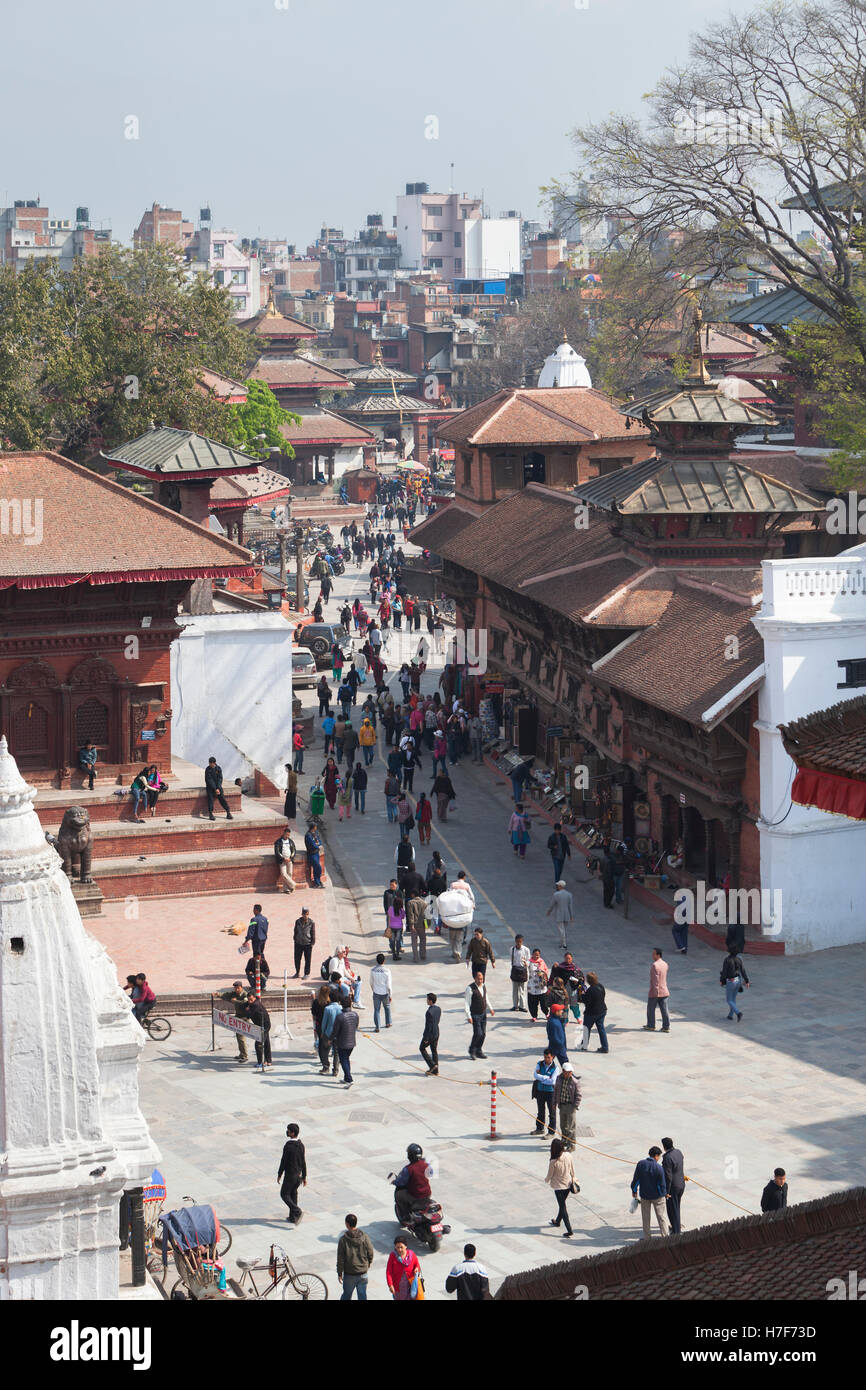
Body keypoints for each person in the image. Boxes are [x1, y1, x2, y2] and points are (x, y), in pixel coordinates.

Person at [631, 1146, 670, 1237]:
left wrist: (634, 1190)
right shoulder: (659, 1168)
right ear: (656, 1156)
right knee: (661, 1217)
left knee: (645, 1218)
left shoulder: (641, 1164)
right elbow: (662, 1184)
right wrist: (664, 1194)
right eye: (659, 1156)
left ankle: (647, 1238)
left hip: (644, 1195)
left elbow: (636, 1179)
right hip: (657, 1197)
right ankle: (665, 1237)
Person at [337, 1214, 375, 1301]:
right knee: (362, 1296)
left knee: (346, 1295)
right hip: (363, 1273)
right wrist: (368, 1263)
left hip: (349, 1274)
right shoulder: (364, 1237)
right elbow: (370, 1252)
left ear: (347, 1224)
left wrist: (339, 1273)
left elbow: (340, 1258)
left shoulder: (343, 1240)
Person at [393, 1142, 433, 1226]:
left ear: (410, 1156)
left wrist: (394, 1181)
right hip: (427, 1194)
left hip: (416, 1197)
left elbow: (401, 1182)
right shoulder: (426, 1165)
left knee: (399, 1195)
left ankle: (406, 1217)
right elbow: (431, 1173)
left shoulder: (408, 1169)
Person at [546, 1138, 576, 1237]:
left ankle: (569, 1230)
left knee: (563, 1207)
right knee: (562, 1204)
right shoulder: (568, 1155)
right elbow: (572, 1170)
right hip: (568, 1184)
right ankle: (557, 1221)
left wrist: (546, 1180)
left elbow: (550, 1175)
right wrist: (574, 1179)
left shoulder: (553, 1162)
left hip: (558, 1187)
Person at [213, 979, 250, 1063]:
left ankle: (245, 1055)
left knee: (241, 1037)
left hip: (244, 1018)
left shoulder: (245, 994)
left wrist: (235, 1001)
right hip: (238, 1016)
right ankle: (241, 1053)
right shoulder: (234, 994)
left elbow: (244, 1003)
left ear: (241, 987)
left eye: (238, 988)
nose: (236, 990)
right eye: (235, 988)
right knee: (238, 1036)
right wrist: (218, 994)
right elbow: (226, 995)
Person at [277, 1123, 307, 1224]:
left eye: (288, 1131)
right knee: (293, 1194)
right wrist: (304, 1176)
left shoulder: (288, 1146)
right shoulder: (301, 1145)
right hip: (298, 1176)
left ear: (293, 1133)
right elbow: (303, 1161)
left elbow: (283, 1161)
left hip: (290, 1176)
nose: (287, 1132)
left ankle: (297, 1211)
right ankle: (293, 1217)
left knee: (284, 1194)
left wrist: (279, 1173)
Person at [465, 969, 494, 1060]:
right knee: (478, 1033)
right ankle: (472, 1050)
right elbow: (467, 1003)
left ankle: (479, 1050)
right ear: (475, 979)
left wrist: (490, 1008)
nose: (480, 980)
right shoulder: (470, 988)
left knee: (483, 1034)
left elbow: (486, 998)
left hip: (483, 1013)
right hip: (475, 1014)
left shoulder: (483, 986)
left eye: (481, 979)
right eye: (478, 979)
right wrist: (468, 1016)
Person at [553, 1062, 582, 1153]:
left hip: (570, 1106)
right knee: (563, 1125)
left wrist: (575, 1106)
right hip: (562, 1105)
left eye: (570, 1072)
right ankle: (564, 1140)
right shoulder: (559, 1079)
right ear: (563, 1071)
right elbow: (556, 1091)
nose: (570, 1073)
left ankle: (571, 1144)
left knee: (571, 1127)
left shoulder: (574, 1082)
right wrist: (554, 1103)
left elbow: (579, 1095)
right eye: (568, 1072)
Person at [578, 971, 609, 1052]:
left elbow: (586, 1001)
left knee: (586, 1029)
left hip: (591, 1013)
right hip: (602, 1010)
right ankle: (605, 1047)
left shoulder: (590, 990)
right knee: (601, 1029)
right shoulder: (600, 986)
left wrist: (582, 994)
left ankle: (584, 1045)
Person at [532, 1048, 560, 1136]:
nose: (546, 1059)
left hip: (551, 1092)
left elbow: (553, 1081)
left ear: (552, 1057)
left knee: (552, 1112)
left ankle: (551, 1132)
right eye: (545, 1057)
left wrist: (541, 1078)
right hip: (540, 1091)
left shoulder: (555, 1068)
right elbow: (535, 1075)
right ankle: (540, 1128)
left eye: (548, 1057)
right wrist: (546, 1078)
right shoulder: (539, 1064)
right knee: (540, 1111)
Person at [661, 1136, 685, 1234]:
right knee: (677, 1206)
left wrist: (666, 1191)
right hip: (681, 1184)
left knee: (672, 1209)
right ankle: (677, 1225)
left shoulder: (667, 1158)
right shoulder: (678, 1152)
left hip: (673, 1188)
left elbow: (668, 1177)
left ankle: (676, 1231)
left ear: (664, 1146)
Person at [386, 1237, 422, 1301]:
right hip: (398, 1288)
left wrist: (416, 1268)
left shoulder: (411, 1254)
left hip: (410, 1286)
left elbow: (417, 1264)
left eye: (401, 1247)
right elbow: (389, 1271)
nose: (399, 1250)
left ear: (406, 1246)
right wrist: (390, 1284)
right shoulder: (392, 1256)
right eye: (397, 1247)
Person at [720, 945, 750, 1021]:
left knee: (729, 1000)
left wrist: (722, 981)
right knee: (733, 999)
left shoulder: (727, 960)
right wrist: (746, 981)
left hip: (731, 981)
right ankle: (730, 1015)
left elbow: (724, 972)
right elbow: (743, 971)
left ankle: (738, 1013)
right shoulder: (739, 959)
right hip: (738, 980)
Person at [333, 998, 359, 1085]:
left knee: (343, 1060)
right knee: (346, 1059)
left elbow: (335, 1031)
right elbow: (355, 1026)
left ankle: (349, 1078)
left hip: (342, 1042)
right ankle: (346, 1078)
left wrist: (330, 1038)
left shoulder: (340, 1017)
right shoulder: (355, 1015)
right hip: (352, 1042)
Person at [644, 948, 671, 1032]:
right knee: (664, 1010)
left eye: (654, 954)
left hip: (656, 992)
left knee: (651, 1009)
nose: (652, 955)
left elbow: (655, 981)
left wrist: (655, 993)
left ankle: (651, 1025)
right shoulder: (665, 964)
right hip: (664, 991)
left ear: (658, 955)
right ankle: (666, 1027)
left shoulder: (655, 965)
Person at [247, 991, 272, 1069]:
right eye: (248, 1000)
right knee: (267, 1043)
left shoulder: (255, 1005)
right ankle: (268, 1060)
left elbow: (249, 1015)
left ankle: (260, 1062)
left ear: (254, 998)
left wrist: (247, 1010)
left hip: (263, 1026)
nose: (249, 1001)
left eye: (251, 999)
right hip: (264, 1025)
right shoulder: (255, 1002)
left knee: (258, 1044)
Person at [319, 991, 342, 1076]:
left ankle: (326, 1067)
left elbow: (324, 1023)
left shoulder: (327, 1009)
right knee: (336, 1052)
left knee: (325, 1050)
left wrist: (322, 1032)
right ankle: (335, 1070)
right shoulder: (341, 1008)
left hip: (328, 1033)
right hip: (338, 1034)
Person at [204, 756, 233, 822]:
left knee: (222, 799)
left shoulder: (218, 768)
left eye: (211, 763)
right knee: (210, 800)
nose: (210, 764)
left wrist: (218, 787)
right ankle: (211, 814)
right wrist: (215, 789)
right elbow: (209, 780)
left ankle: (228, 812)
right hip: (210, 788)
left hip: (218, 787)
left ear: (214, 763)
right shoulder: (208, 769)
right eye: (209, 763)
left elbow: (220, 778)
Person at [420, 992, 441, 1075]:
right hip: (436, 1033)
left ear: (431, 1001)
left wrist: (426, 1038)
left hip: (430, 1034)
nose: (426, 1001)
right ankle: (436, 1071)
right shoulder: (438, 1009)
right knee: (434, 1050)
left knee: (422, 1048)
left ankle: (432, 1065)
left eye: (427, 999)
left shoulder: (429, 1012)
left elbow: (428, 1026)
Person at [406, 884, 428, 962]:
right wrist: (426, 925)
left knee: (414, 942)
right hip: (422, 925)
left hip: (414, 925)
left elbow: (410, 915)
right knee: (423, 940)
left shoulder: (410, 903)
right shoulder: (424, 903)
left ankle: (416, 957)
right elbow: (427, 916)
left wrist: (411, 925)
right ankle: (423, 955)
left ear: (413, 894)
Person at [371, 953, 393, 1032]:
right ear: (384, 961)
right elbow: (389, 985)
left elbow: (371, 982)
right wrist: (390, 995)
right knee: (387, 1007)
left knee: (376, 1010)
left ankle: (377, 1027)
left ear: (376, 961)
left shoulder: (373, 970)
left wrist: (373, 989)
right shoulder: (387, 971)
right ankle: (388, 1023)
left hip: (376, 992)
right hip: (385, 993)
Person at [510, 934, 531, 1011]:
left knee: (522, 989)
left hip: (523, 971)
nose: (518, 943)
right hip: (515, 970)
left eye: (520, 942)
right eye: (517, 941)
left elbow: (529, 960)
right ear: (515, 941)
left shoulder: (526, 950)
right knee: (515, 989)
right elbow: (511, 959)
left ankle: (522, 1006)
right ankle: (515, 1005)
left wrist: (526, 964)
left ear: (522, 941)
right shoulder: (512, 949)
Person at [292, 908, 316, 978]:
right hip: (298, 943)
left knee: (307, 960)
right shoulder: (297, 921)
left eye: (307, 914)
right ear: (302, 914)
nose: (305, 916)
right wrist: (295, 939)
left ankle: (306, 973)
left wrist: (312, 943)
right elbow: (295, 930)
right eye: (304, 914)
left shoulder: (311, 922)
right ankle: (297, 972)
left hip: (307, 944)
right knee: (297, 959)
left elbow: (313, 932)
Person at [527, 949, 550, 1021]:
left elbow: (546, 970)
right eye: (535, 954)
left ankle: (547, 1013)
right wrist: (524, 963)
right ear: (532, 954)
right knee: (532, 1003)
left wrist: (542, 973)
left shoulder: (541, 961)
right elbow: (525, 965)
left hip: (541, 987)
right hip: (532, 986)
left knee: (544, 1003)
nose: (536, 956)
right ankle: (534, 1016)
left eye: (538, 954)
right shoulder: (529, 962)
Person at [274, 826, 296, 894]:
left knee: (289, 873)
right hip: (282, 860)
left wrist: (291, 858)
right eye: (286, 834)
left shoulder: (291, 841)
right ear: (283, 833)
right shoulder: (278, 842)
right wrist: (283, 858)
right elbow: (277, 852)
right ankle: (292, 884)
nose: (287, 836)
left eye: (288, 835)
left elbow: (294, 850)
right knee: (283, 874)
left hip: (289, 860)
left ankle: (287, 889)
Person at [387, 891, 405, 960]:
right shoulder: (401, 910)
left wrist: (388, 926)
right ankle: (397, 955)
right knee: (398, 941)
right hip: (399, 927)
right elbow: (403, 917)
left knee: (392, 941)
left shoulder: (391, 909)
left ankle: (393, 954)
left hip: (392, 926)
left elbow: (389, 917)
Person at [304, 821, 324, 887]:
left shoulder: (315, 833)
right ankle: (317, 882)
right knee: (318, 867)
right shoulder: (308, 835)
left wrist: (319, 844)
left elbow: (319, 840)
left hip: (316, 853)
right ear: (313, 827)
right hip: (312, 854)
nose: (316, 827)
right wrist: (318, 846)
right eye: (315, 826)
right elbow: (312, 844)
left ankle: (318, 882)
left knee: (316, 868)